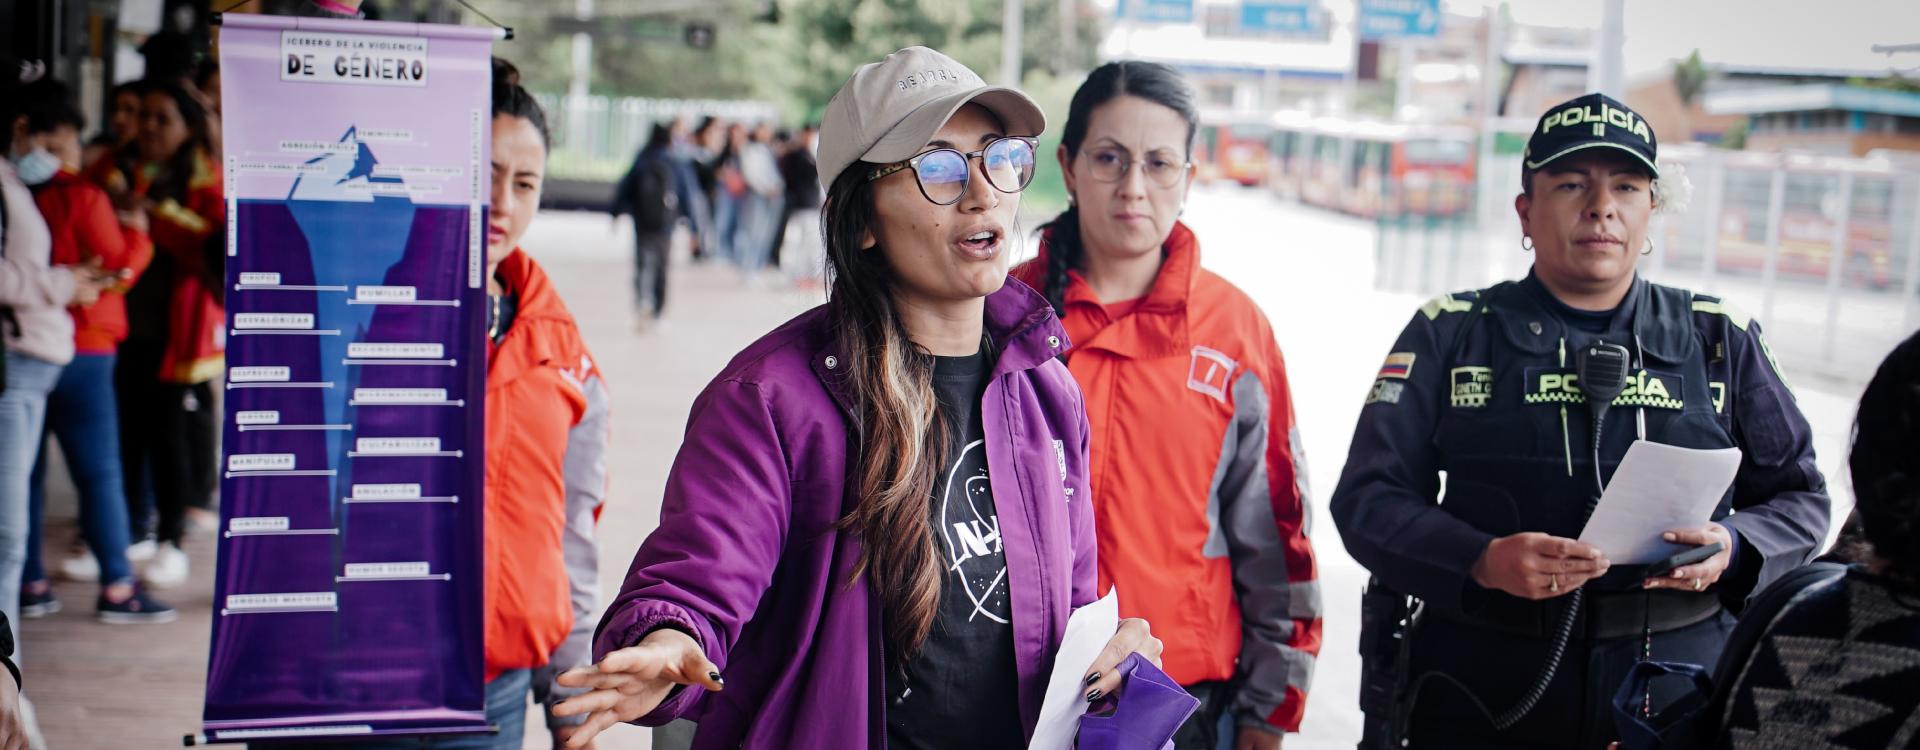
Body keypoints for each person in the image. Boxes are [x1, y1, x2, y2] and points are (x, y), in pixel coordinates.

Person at [554, 46, 1164, 750]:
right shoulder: (770, 400)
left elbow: (1071, 614)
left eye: (998, 157)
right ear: (864, 220)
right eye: (936, 166)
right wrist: (664, 640)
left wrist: (1115, 656)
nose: (982, 192)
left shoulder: (1046, 388)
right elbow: (699, 576)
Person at [1329, 93, 1829, 749]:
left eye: (1626, 185)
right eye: (1571, 184)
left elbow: (1802, 500)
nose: (1601, 206)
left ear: (1651, 209)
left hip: (1676, 690)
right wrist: (1479, 560)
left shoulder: (1719, 335)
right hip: (1479, 688)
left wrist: (1733, 546)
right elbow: (1368, 499)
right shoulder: (1450, 331)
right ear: (1525, 212)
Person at [273, 57, 610, 750]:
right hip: (352, 685)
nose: (502, 204)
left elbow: (571, 525)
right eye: (482, 174)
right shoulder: (356, 310)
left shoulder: (558, 343)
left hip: (494, 692)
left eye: (524, 184)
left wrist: (571, 689)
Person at [1011, 60, 1320, 750]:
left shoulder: (1237, 333)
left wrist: (1271, 709)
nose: (1134, 188)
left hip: (1182, 702)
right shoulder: (1005, 317)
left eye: (1159, 163)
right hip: (1019, 695)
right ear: (1067, 163)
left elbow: (1276, 535)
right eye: (1109, 159)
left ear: (1189, 174)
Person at [12, 81, 172, 623]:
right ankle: (118, 588)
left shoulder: (15, 192)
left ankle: (30, 583)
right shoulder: (83, 196)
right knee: (100, 471)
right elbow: (115, 268)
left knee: (23, 474)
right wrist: (140, 236)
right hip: (85, 348)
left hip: (20, 349)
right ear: (54, 140)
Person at [84, 80, 227, 589]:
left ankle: (171, 540)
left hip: (174, 328)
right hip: (115, 326)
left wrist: (151, 213)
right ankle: (127, 531)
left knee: (169, 436)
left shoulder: (204, 177)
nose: (146, 127)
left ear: (188, 127)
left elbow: (213, 244)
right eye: (142, 116)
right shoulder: (112, 167)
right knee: (122, 433)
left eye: (161, 118)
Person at [4, 69, 117, 653]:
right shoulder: (33, 187)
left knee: (18, 505)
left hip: (39, 356)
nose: (58, 159)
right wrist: (61, 283)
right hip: (35, 357)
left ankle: (28, 602)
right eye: (51, 146)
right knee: (10, 528)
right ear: (21, 128)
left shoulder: (20, 186)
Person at [611, 122, 678, 326]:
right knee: (662, 267)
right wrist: (696, 227)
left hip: (642, 223)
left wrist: (615, 213)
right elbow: (686, 191)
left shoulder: (642, 158)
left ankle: (642, 302)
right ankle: (659, 312)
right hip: (665, 225)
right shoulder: (672, 161)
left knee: (643, 264)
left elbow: (626, 186)